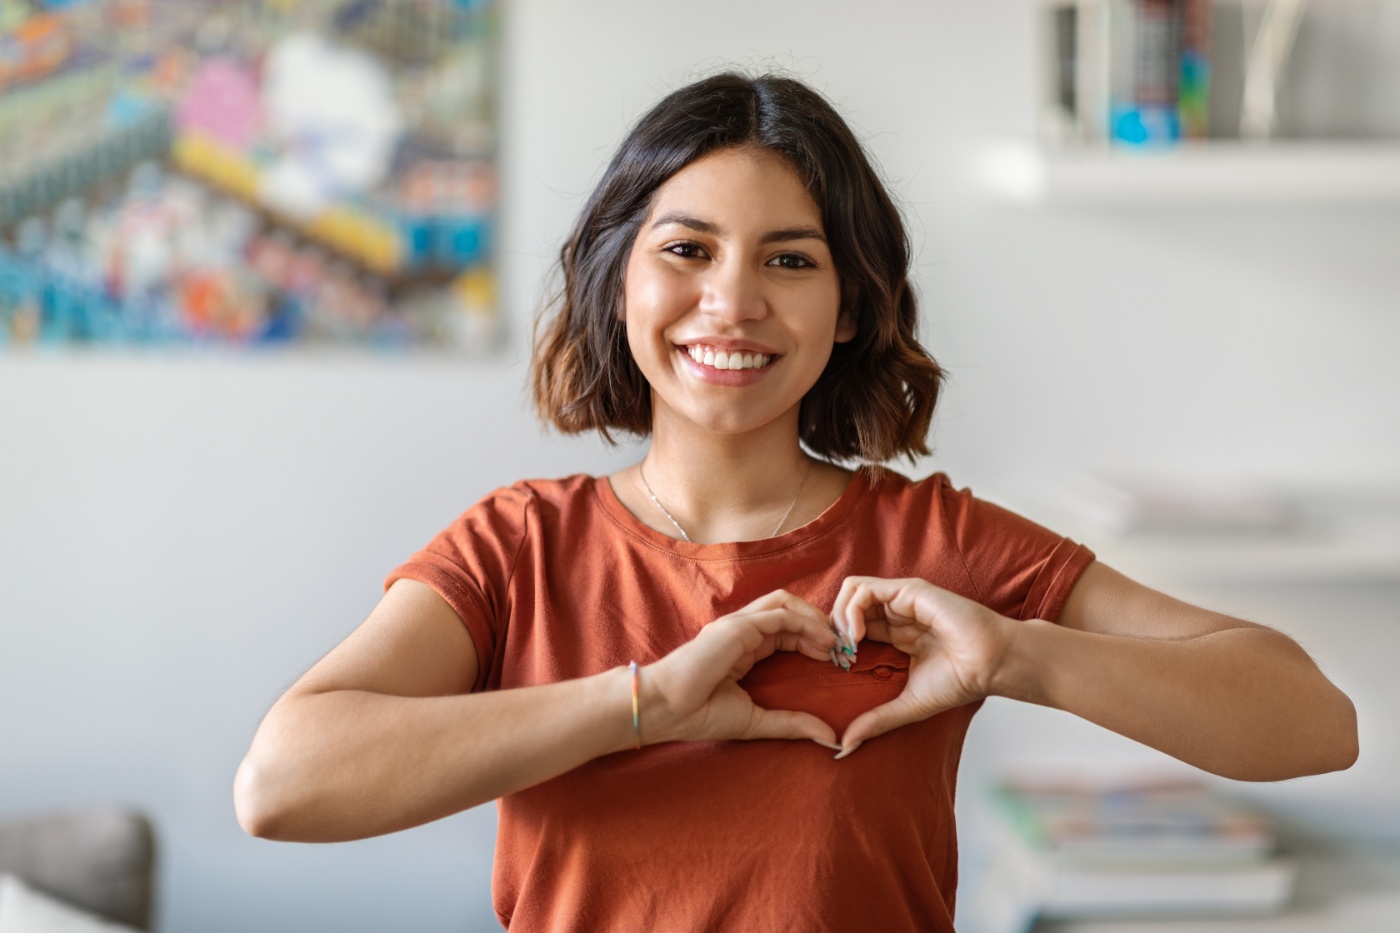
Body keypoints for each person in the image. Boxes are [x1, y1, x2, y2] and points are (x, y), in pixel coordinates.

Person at [234, 72, 1358, 932]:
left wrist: (1020, 657)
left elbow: (1311, 723)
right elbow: (283, 784)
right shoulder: (519, 547)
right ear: (617, 278)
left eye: (788, 261)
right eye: (686, 250)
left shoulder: (939, 546)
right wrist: (640, 704)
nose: (730, 303)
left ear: (852, 305)